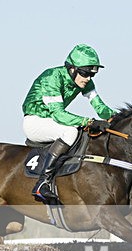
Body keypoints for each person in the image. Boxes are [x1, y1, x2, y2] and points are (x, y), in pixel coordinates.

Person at [22, 43, 116, 202]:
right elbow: (59, 114)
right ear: (72, 69)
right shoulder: (52, 77)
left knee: (85, 134)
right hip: (35, 121)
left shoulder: (85, 82)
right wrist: (89, 121)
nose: (88, 79)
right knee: (71, 131)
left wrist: (117, 119)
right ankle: (42, 183)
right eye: (85, 73)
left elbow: (100, 107)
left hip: (52, 122)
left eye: (92, 75)